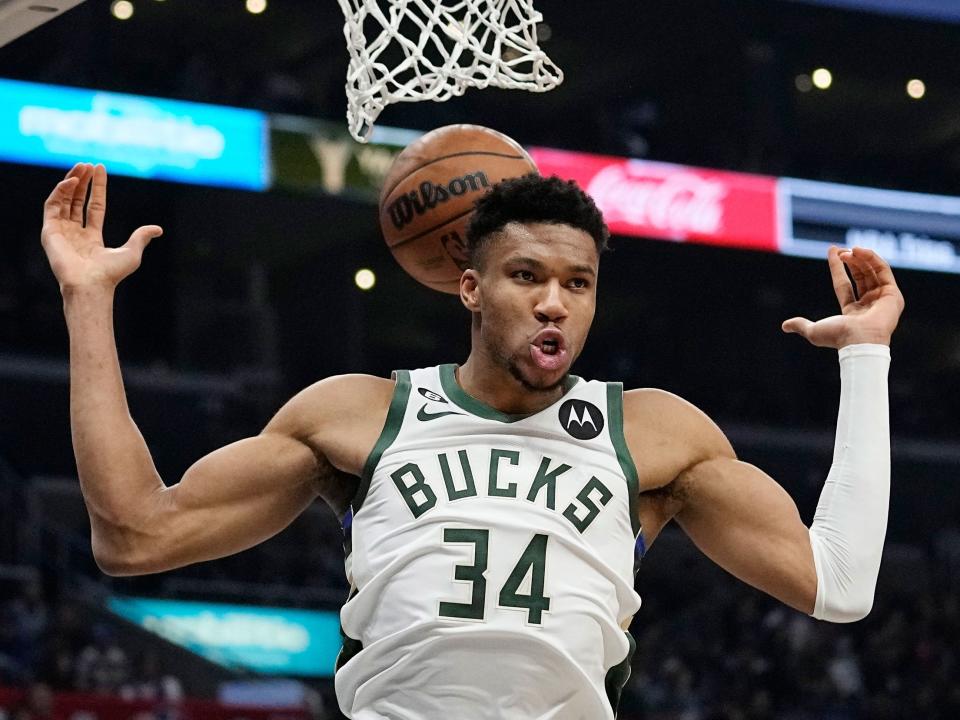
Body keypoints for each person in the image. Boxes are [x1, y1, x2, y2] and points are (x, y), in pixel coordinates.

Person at [40, 162, 904, 720]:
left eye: (578, 282)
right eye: (527, 276)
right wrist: (87, 301)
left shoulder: (650, 431)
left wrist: (866, 360)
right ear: (468, 287)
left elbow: (839, 586)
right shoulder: (361, 414)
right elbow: (135, 535)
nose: (555, 302)